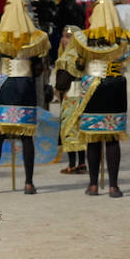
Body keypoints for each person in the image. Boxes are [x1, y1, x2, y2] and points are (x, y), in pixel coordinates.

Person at [0, 0, 48, 194]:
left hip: (6, 85)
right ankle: (28, 183)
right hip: (26, 86)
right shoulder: (35, 38)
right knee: (26, 135)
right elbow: (39, 65)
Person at [72, 0, 130, 197]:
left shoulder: (84, 38)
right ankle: (113, 186)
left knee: (92, 137)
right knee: (111, 137)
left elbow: (79, 65)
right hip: (115, 87)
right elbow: (126, 58)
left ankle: (92, 184)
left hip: (93, 87)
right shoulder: (125, 38)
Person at [53, 24, 88, 175]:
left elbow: (61, 83)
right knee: (79, 129)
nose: (64, 40)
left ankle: (72, 164)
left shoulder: (67, 58)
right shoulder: (84, 56)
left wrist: (58, 90)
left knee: (69, 129)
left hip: (70, 97)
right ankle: (82, 163)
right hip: (83, 96)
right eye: (64, 36)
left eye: (68, 37)